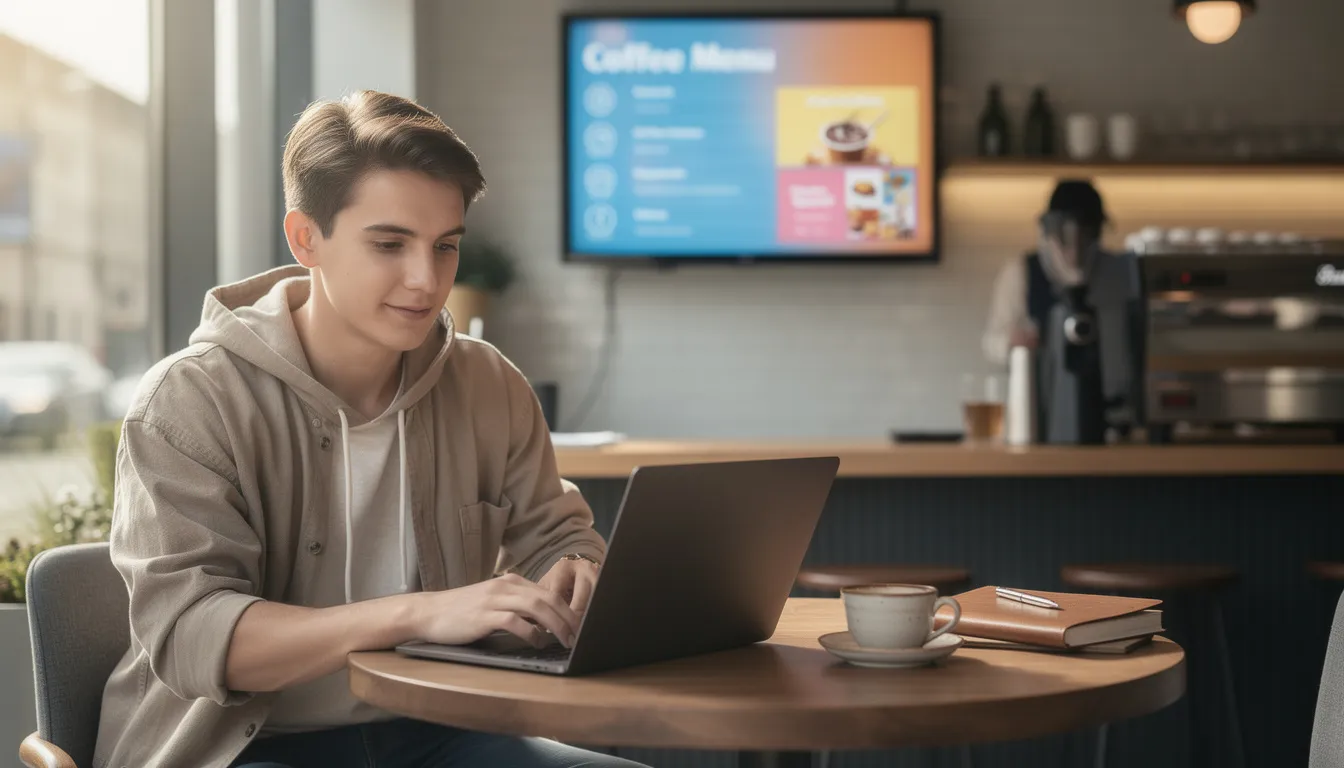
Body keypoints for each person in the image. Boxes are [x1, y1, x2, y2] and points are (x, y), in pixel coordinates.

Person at [93, 91, 648, 768]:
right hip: (243, 747)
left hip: (439, 727)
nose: (426, 280)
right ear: (306, 238)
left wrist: (574, 569)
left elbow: (557, 537)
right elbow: (192, 638)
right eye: (390, 244)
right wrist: (420, 612)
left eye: (445, 247)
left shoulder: (489, 383)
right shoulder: (189, 401)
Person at [981, 179, 1109, 367]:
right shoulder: (1020, 272)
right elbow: (992, 342)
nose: (1075, 248)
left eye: (1085, 234)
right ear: (1050, 230)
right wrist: (1013, 340)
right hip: (1040, 380)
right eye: (1066, 235)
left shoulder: (1114, 272)